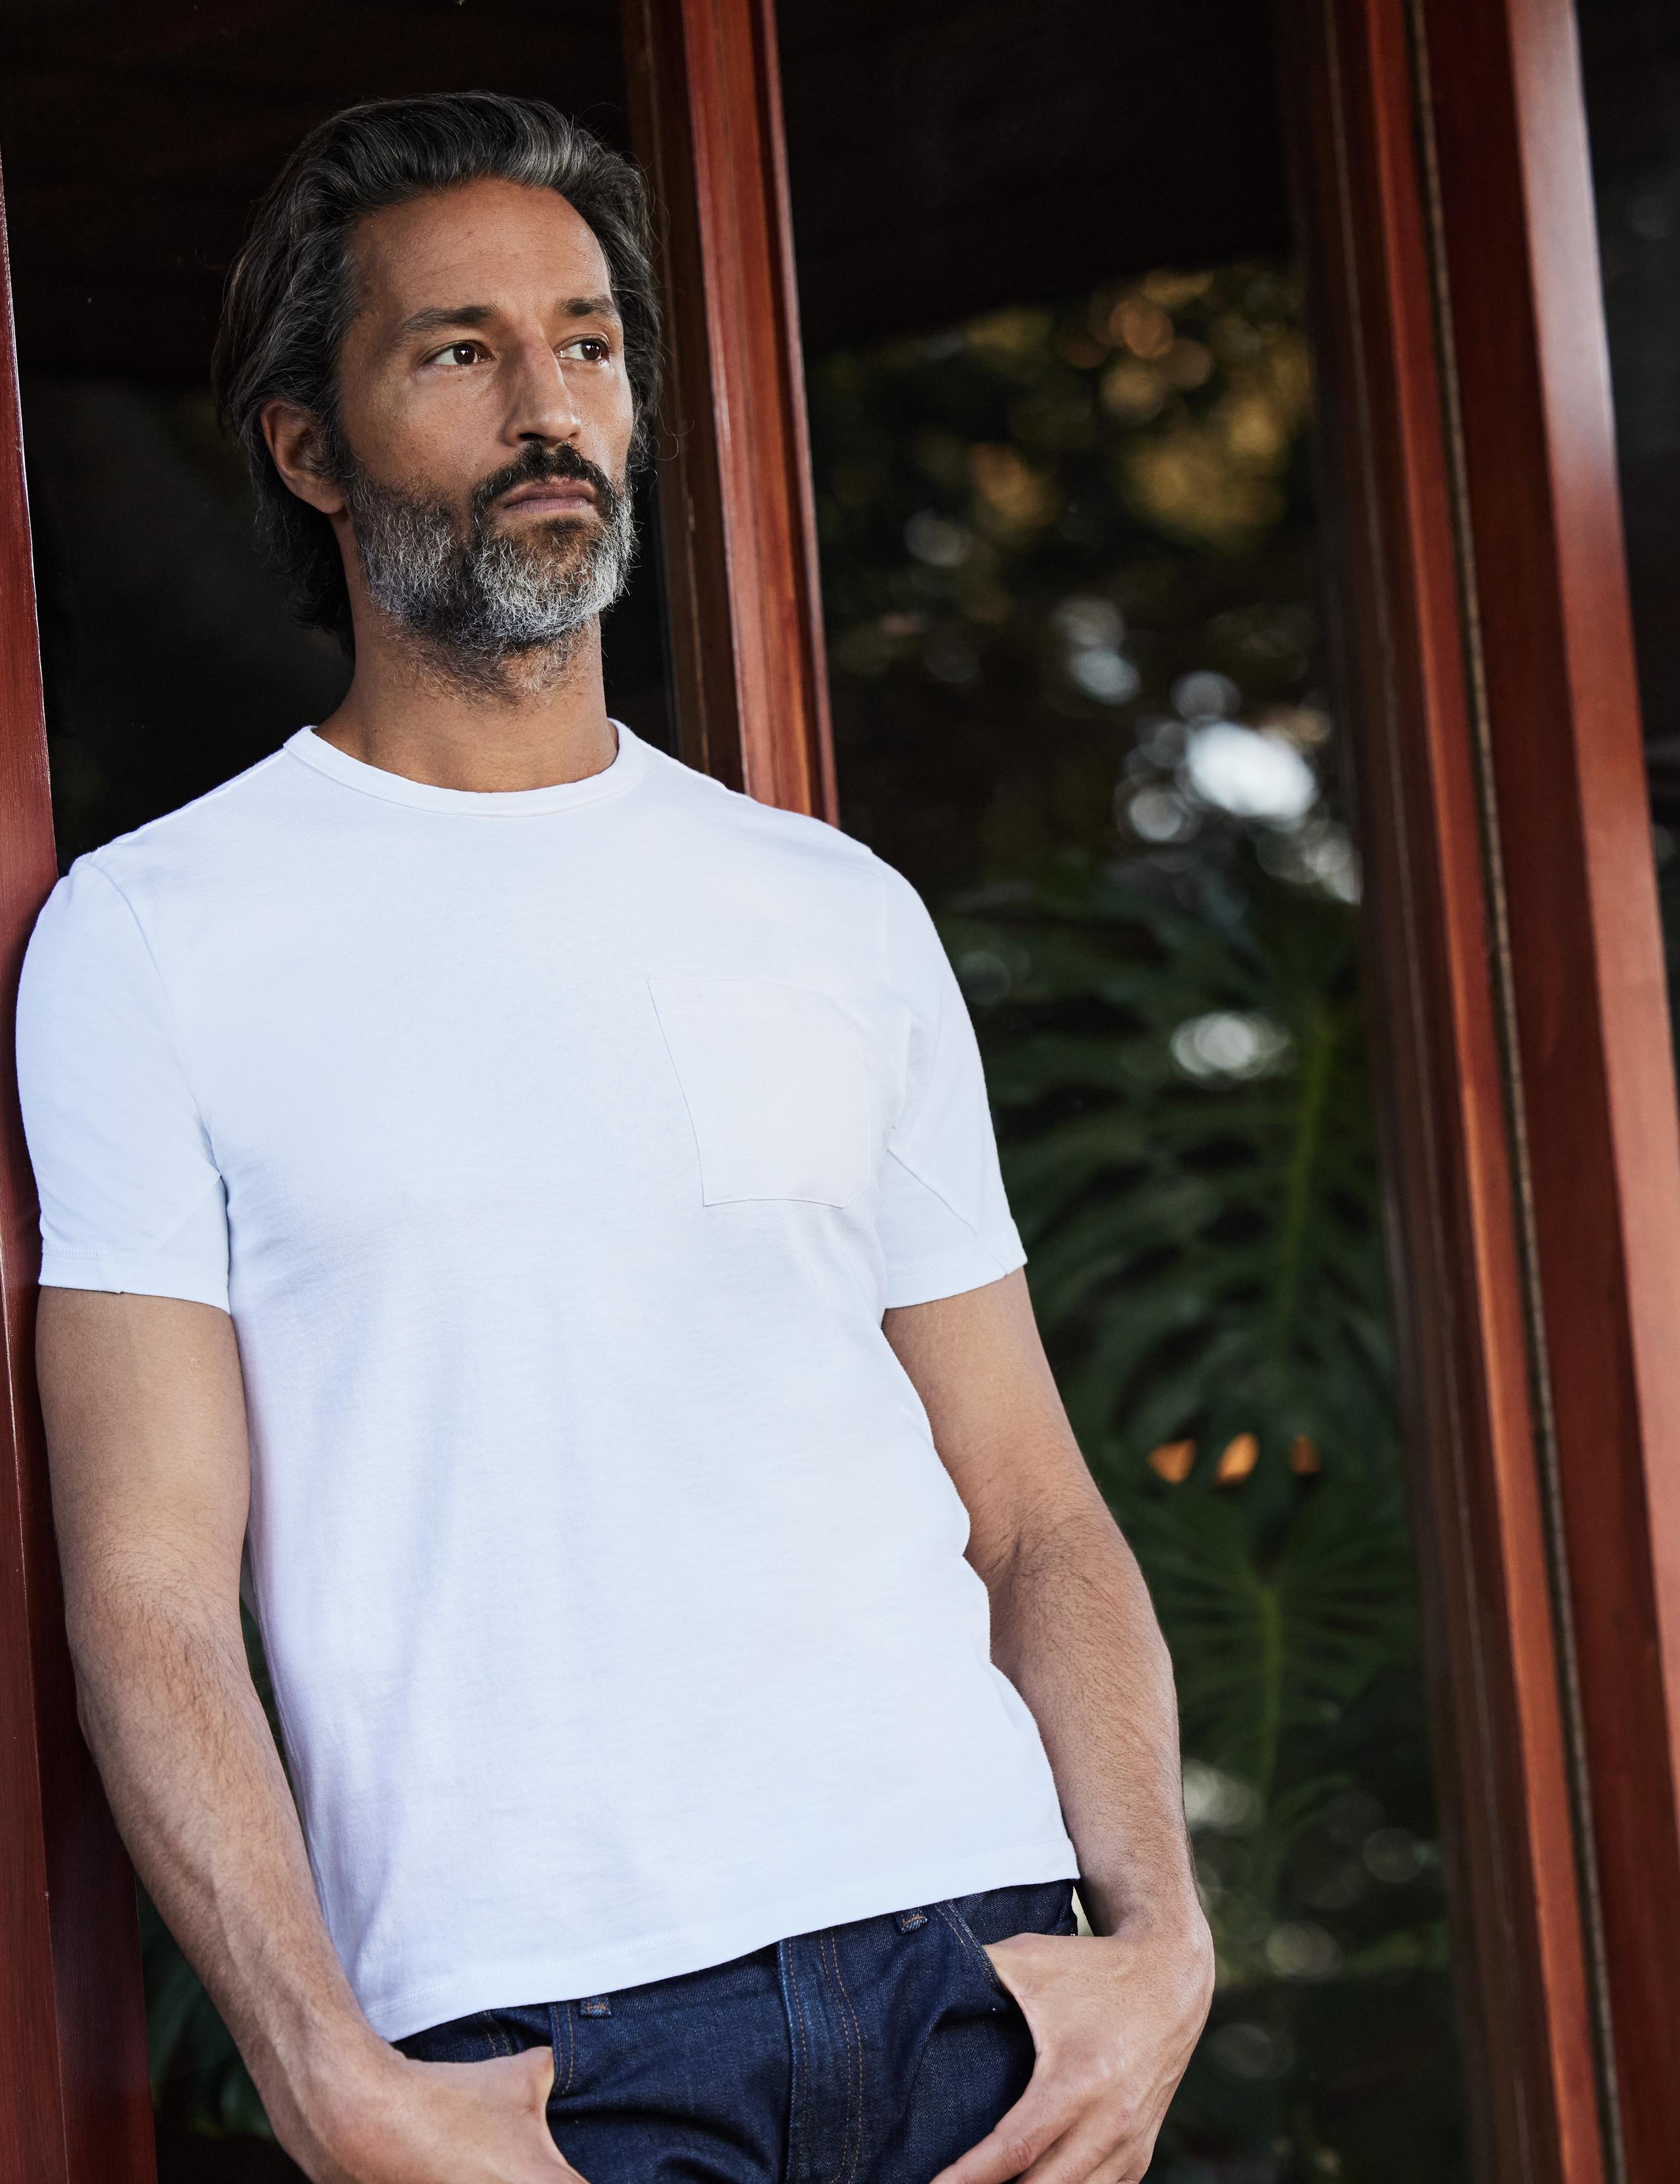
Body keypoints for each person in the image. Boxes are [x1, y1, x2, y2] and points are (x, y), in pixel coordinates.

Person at [17, 93, 1212, 2184]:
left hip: (979, 1988)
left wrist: (1164, 1947)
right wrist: (326, 2075)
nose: (548, 407)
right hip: (535, 2063)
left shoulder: (831, 909)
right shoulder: (153, 936)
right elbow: (147, 1585)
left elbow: (1033, 1510)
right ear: (311, 448)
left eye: (585, 344)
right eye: (459, 351)